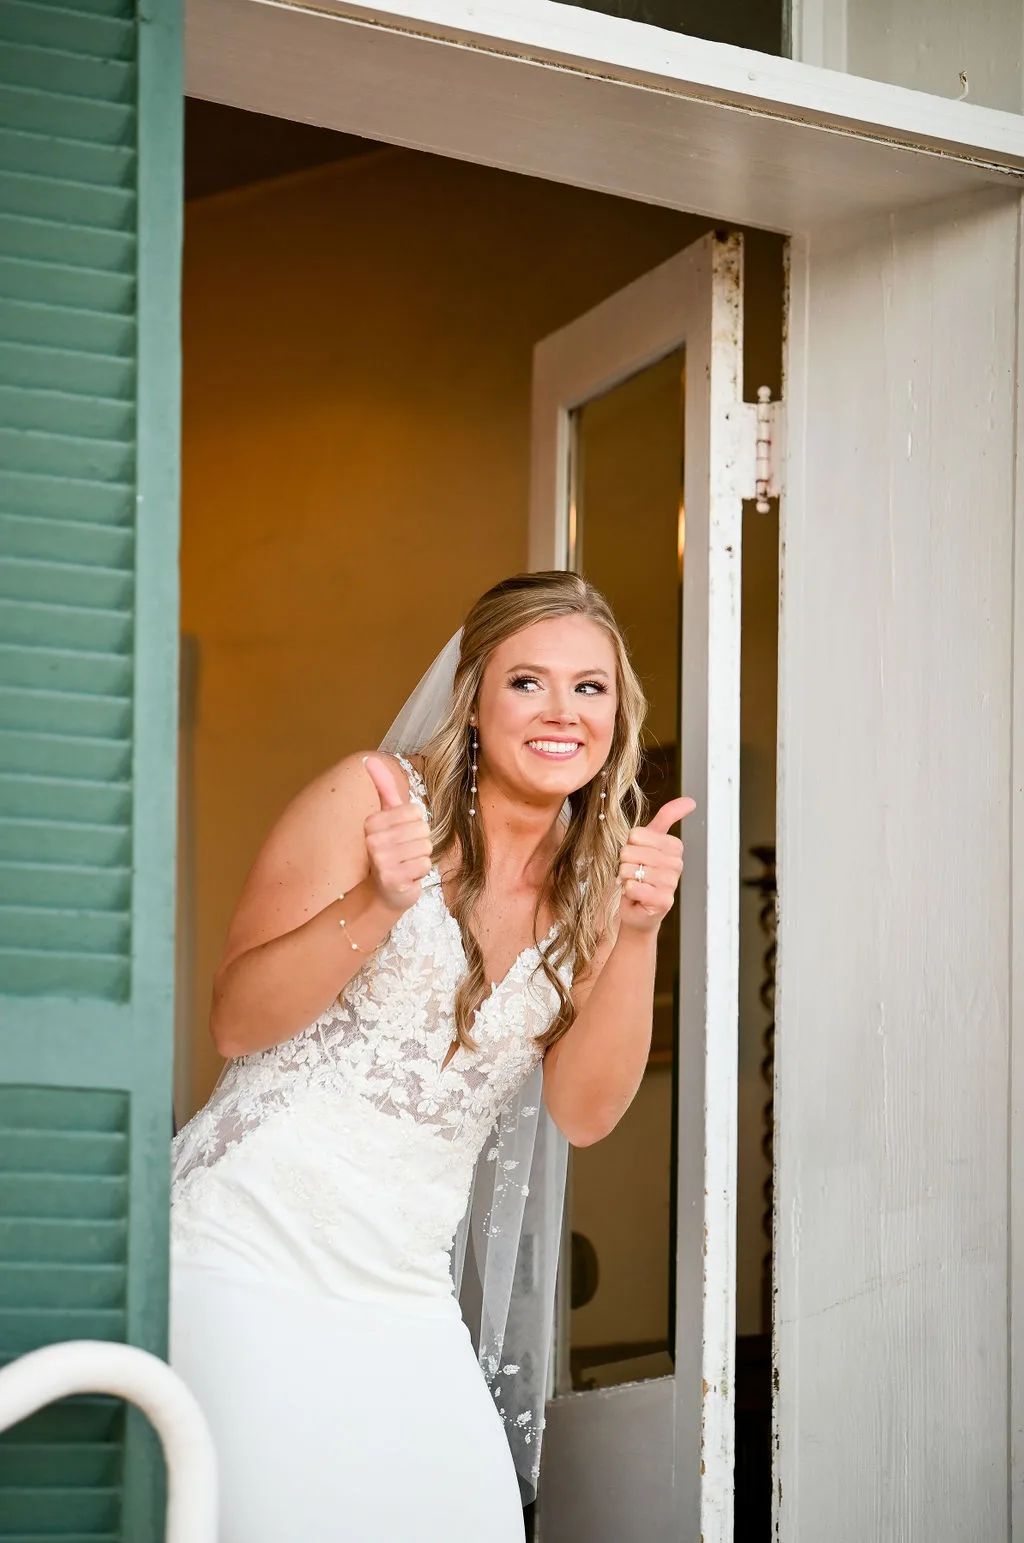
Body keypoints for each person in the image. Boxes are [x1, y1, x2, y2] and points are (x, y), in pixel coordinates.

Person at [169, 570, 694, 1542]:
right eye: (527, 681)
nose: (560, 712)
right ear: (476, 697)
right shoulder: (368, 797)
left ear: (617, 716)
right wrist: (375, 900)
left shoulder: (596, 881)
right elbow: (237, 1023)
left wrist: (636, 931)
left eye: (590, 687)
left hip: (400, 1286)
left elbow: (581, 1112)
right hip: (241, 1244)